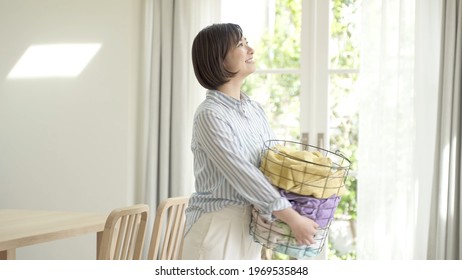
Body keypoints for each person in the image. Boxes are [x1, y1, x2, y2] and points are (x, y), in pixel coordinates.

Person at [181, 23, 318, 260]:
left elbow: (271, 164)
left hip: (251, 227)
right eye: (241, 45)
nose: (251, 49)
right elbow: (242, 172)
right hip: (218, 227)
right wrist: (292, 218)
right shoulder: (210, 114)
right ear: (219, 59)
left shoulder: (255, 110)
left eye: (246, 42)